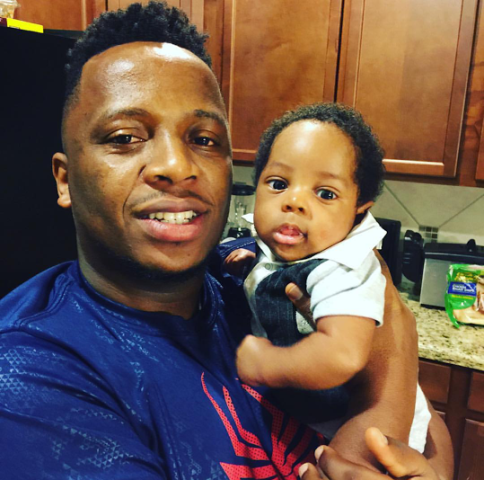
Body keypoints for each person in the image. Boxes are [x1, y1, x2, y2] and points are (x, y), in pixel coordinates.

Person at [0, 2, 453, 479]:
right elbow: (390, 366)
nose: (177, 166)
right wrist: (395, 350)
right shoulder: (32, 376)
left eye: (204, 139)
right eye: (125, 137)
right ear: (65, 180)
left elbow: (431, 429)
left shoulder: (257, 277)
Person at [223, 104, 429, 453]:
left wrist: (268, 364)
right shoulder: (294, 247)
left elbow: (343, 354)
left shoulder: (343, 268)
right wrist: (256, 267)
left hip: (357, 432)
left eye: (326, 194)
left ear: (358, 210)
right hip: (305, 421)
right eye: (278, 184)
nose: (294, 202)